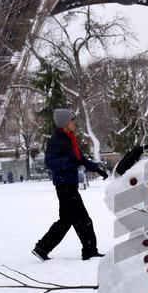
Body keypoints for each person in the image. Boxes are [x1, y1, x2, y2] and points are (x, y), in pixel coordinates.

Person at [32, 109, 108, 261]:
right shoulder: (56, 140)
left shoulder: (69, 138)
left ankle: (42, 248)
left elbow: (79, 159)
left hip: (69, 184)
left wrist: (97, 169)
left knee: (66, 220)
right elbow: (49, 162)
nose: (74, 123)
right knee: (83, 219)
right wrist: (68, 162)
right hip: (64, 185)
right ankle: (89, 250)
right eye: (72, 120)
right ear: (65, 123)